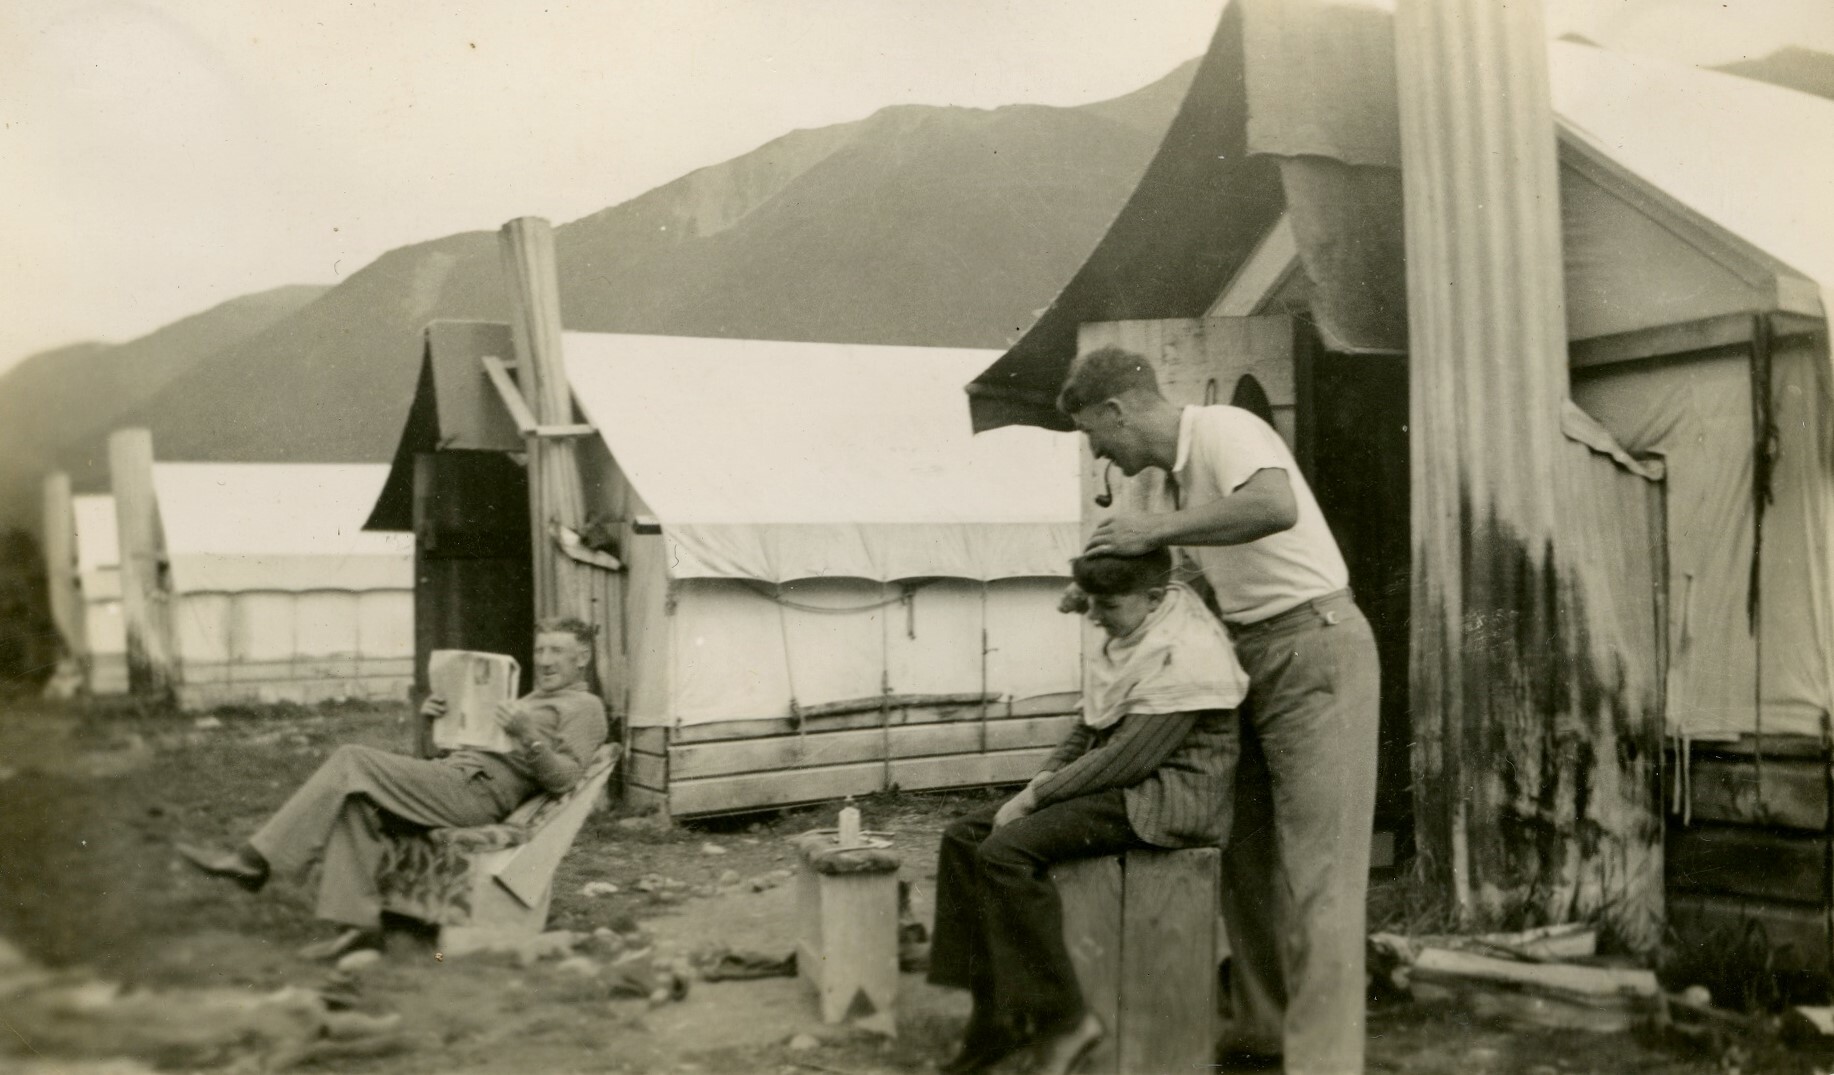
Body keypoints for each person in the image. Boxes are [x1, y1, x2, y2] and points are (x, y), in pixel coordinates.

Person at [1060, 346, 1380, 1075]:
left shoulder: (1225, 429)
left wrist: (1154, 532)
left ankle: (1325, 1064)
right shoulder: (1175, 485)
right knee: (1244, 852)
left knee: (1318, 874)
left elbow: (1275, 505)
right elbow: (1191, 578)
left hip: (1314, 647)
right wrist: (1100, 588)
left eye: (1094, 434)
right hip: (1249, 656)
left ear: (1117, 409)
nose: (1099, 452)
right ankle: (1265, 1031)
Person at [928, 547, 1247, 1075]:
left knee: (1005, 852)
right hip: (1124, 788)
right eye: (1091, 603)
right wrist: (1035, 785)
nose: (1095, 616)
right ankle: (996, 1019)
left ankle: (1063, 1019)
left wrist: (1035, 799)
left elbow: (1126, 758)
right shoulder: (1136, 632)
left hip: (1167, 800)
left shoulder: (1189, 650)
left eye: (1108, 604)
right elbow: (1088, 730)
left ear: (1153, 597)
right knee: (965, 836)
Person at [177, 617, 609, 960]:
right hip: (455, 777)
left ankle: (255, 862)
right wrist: (436, 720)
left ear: (582, 657)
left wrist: (529, 734)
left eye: (558, 651)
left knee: (350, 759)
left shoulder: (583, 707)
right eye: (540, 649)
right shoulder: (529, 697)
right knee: (356, 803)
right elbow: (461, 749)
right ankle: (359, 931)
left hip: (478, 794)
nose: (546, 659)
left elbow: (566, 778)